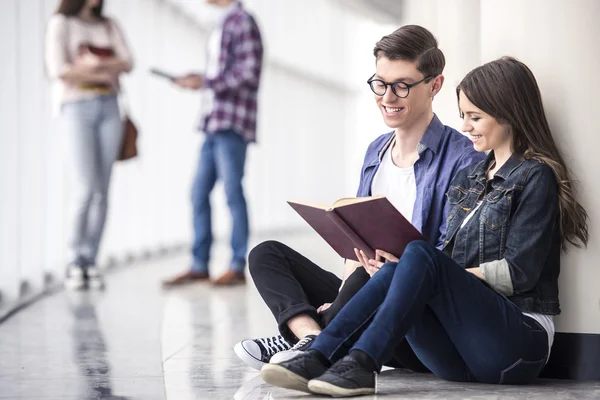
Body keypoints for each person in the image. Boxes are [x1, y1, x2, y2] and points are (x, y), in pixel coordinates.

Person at [260, 56, 590, 397]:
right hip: (460, 357)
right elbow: (444, 258)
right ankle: (318, 353)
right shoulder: (470, 178)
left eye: (475, 117)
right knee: (394, 270)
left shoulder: (535, 176)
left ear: (508, 114)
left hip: (518, 345)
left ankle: (359, 362)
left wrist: (432, 270)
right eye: (463, 116)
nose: (465, 126)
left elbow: (519, 273)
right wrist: (403, 271)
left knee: (417, 256)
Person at [233, 25, 485, 371]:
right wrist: (340, 300)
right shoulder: (375, 152)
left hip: (410, 313)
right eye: (380, 84)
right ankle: (310, 337)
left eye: (402, 85)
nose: (387, 97)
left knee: (377, 275)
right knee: (266, 254)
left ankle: (313, 342)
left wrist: (393, 269)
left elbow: (457, 258)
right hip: (361, 292)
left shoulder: (463, 159)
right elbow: (356, 250)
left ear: (434, 85)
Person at [162, 0, 263, 287]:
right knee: (198, 193)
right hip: (212, 121)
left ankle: (236, 265)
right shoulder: (223, 23)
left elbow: (248, 73)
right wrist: (202, 81)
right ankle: (199, 264)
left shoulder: (242, 21)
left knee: (232, 192)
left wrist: (205, 82)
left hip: (231, 122)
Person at [45, 0, 134, 290]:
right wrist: (105, 70)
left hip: (110, 108)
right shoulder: (61, 24)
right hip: (76, 107)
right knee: (86, 188)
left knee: (102, 190)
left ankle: (91, 261)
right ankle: (75, 261)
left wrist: (93, 64)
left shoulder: (108, 25)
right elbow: (59, 70)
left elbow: (128, 61)